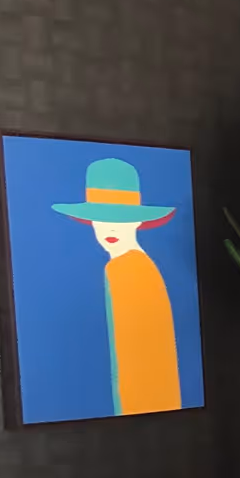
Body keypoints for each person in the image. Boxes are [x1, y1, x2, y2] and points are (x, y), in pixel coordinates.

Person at [52, 156, 182, 415]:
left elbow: (143, 361)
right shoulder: (128, 267)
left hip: (142, 404)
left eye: (121, 217)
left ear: (137, 221)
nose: (110, 227)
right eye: (101, 218)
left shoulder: (129, 269)